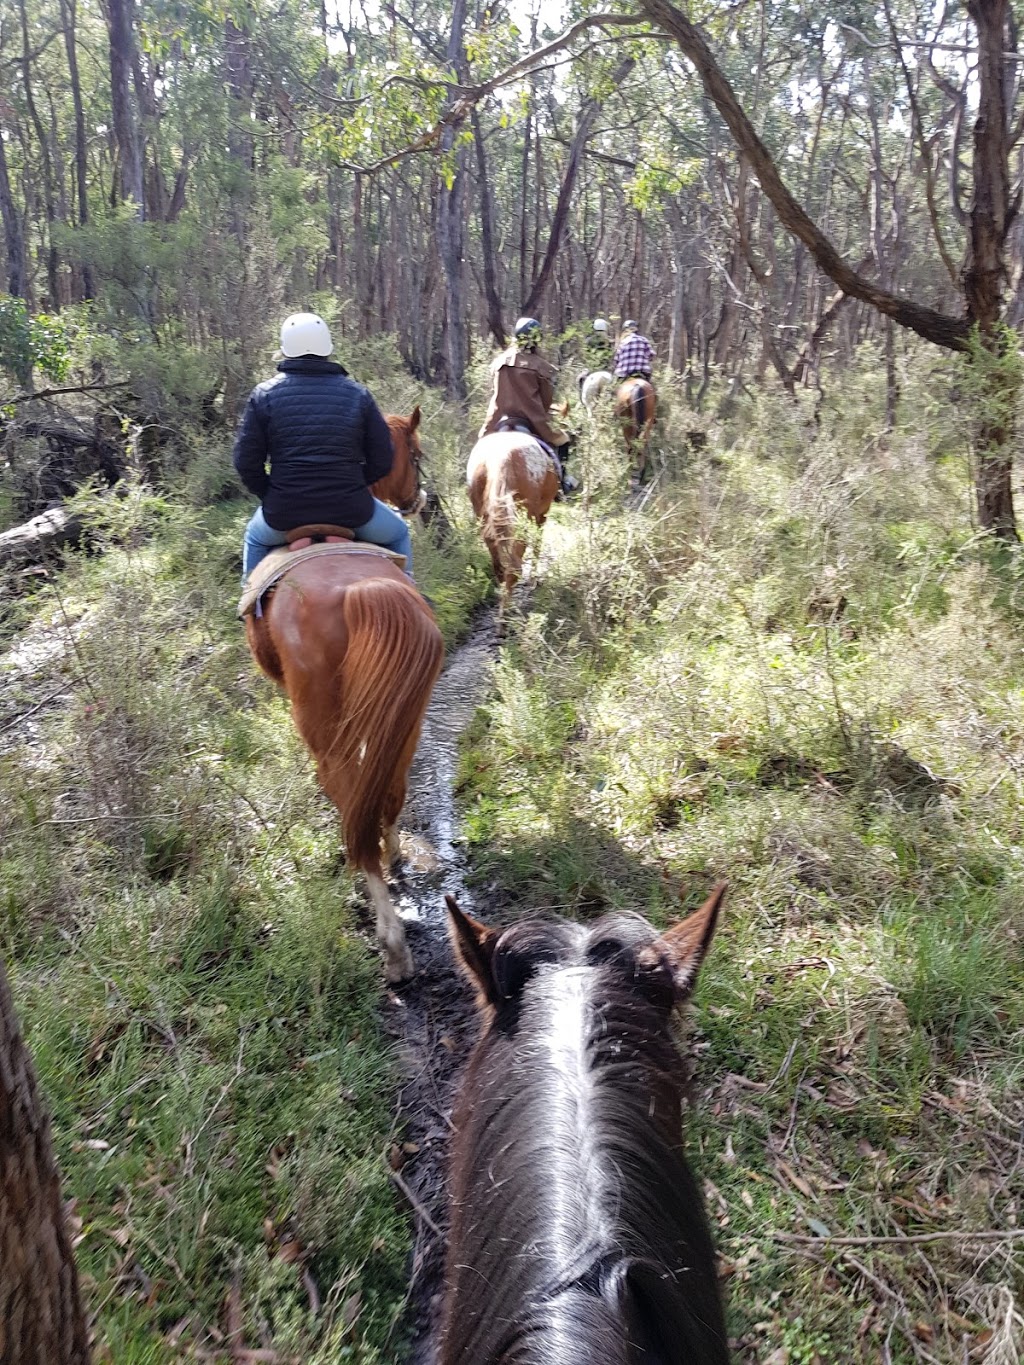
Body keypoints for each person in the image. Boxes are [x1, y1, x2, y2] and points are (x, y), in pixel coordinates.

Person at [233, 312, 413, 581]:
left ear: (286, 350)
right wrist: (353, 483)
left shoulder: (264, 395)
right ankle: (409, 591)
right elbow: (383, 458)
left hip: (285, 511)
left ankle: (248, 607)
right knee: (399, 533)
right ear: (327, 349)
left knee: (255, 540)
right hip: (351, 510)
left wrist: (271, 493)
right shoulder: (357, 394)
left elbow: (246, 462)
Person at [480, 316, 577, 495]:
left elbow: (495, 397)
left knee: (480, 448)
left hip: (500, 419)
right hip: (532, 422)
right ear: (537, 340)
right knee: (563, 441)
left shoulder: (500, 363)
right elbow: (546, 402)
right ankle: (562, 483)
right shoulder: (541, 367)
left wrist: (486, 427)